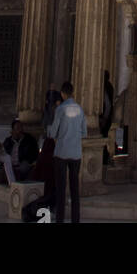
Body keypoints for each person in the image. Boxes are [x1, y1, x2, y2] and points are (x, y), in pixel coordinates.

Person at [49, 81, 87, 224]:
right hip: (76, 153)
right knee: (74, 189)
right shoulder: (80, 110)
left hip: (61, 153)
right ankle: (75, 219)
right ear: (73, 93)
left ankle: (60, 219)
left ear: (63, 94)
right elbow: (84, 132)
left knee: (61, 189)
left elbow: (53, 132)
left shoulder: (61, 109)